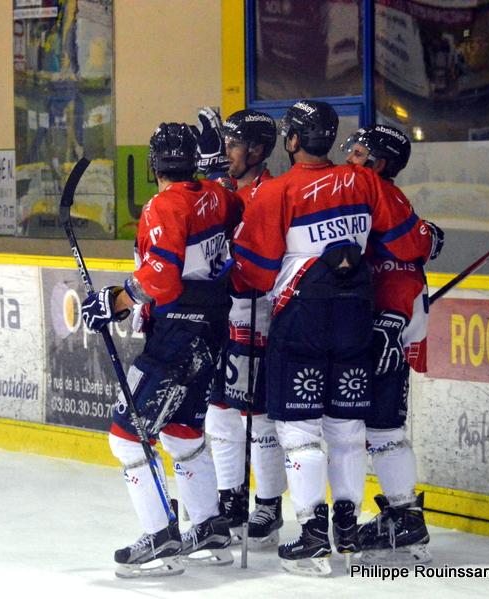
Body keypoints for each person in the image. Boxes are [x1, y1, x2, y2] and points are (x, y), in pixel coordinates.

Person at [231, 100, 438, 576]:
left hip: (301, 319)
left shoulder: (278, 191)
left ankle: (311, 534)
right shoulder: (366, 183)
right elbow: (411, 243)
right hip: (356, 321)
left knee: (300, 430)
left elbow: (256, 273)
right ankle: (346, 527)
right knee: (348, 428)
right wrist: (428, 236)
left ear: (293, 140)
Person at [80, 123, 241, 578]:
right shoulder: (216, 195)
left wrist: (116, 300)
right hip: (211, 330)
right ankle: (208, 526)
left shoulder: (163, 205)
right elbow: (235, 205)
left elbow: (161, 277)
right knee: (181, 432)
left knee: (126, 436)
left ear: (153, 164)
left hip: (176, 334)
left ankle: (160, 537)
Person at [344, 124, 443, 564]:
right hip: (366, 322)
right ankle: (401, 514)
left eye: (359, 152)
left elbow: (404, 263)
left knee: (381, 427)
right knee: (366, 428)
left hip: (381, 327)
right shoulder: (362, 189)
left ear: (380, 162)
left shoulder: (381, 192)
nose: (351, 157)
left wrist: (393, 318)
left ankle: (405, 517)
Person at [195, 107, 288, 548]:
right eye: (226, 143)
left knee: (259, 415)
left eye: (233, 144)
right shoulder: (221, 190)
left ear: (257, 150)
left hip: (259, 311)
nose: (227, 151)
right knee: (219, 412)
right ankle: (230, 498)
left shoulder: (273, 192)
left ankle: (268, 503)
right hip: (221, 313)